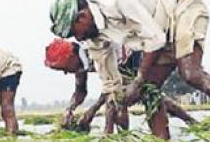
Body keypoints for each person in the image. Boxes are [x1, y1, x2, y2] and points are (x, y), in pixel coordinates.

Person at [49, 0, 210, 139]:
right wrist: (116, 104)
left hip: (181, 4)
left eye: (73, 32)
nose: (76, 38)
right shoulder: (93, 40)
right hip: (157, 32)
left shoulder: (118, 0)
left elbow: (155, 39)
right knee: (149, 91)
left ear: (83, 16)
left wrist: (138, 80)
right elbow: (111, 85)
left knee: (190, 72)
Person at [44, 38, 196, 133]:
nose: (65, 73)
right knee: (138, 96)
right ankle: (191, 122)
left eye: (63, 68)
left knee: (138, 95)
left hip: (129, 56)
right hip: (116, 66)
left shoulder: (94, 51)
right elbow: (80, 91)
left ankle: (120, 136)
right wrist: (69, 109)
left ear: (70, 58)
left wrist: (91, 111)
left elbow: (111, 86)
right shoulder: (79, 62)